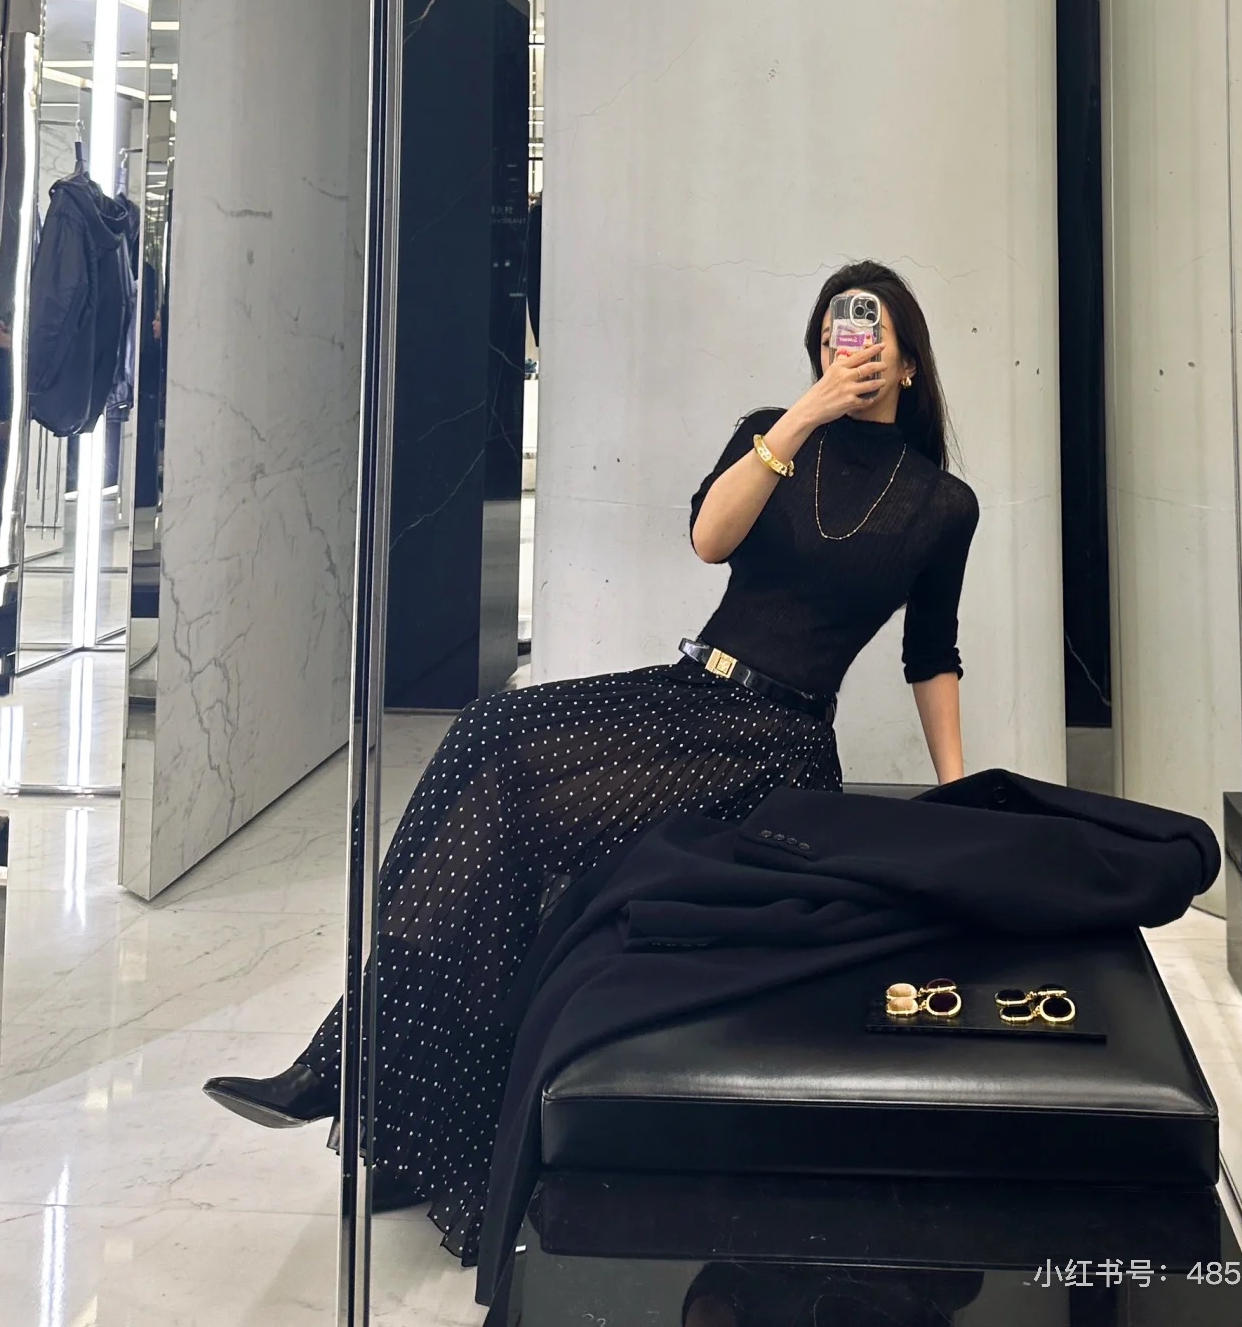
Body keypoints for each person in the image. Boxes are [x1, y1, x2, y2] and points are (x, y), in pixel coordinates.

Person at [204, 259, 979, 1267]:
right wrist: (800, 418)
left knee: (524, 815)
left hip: (775, 744)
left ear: (908, 361)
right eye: (834, 330)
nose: (851, 343)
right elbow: (710, 539)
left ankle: (362, 1080)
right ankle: (378, 1079)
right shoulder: (774, 437)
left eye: (869, 331)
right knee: (488, 735)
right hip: (688, 691)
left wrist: (959, 794)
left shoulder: (940, 504)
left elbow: (932, 654)